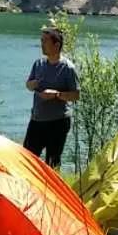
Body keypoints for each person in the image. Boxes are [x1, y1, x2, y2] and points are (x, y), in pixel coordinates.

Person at [23, 28, 79, 168]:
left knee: (52, 163)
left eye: (45, 41)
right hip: (36, 120)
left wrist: (57, 95)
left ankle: (50, 189)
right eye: (41, 41)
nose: (41, 44)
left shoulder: (68, 68)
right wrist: (32, 84)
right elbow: (29, 85)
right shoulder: (38, 64)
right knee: (27, 159)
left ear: (56, 44)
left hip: (58, 122)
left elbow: (75, 95)